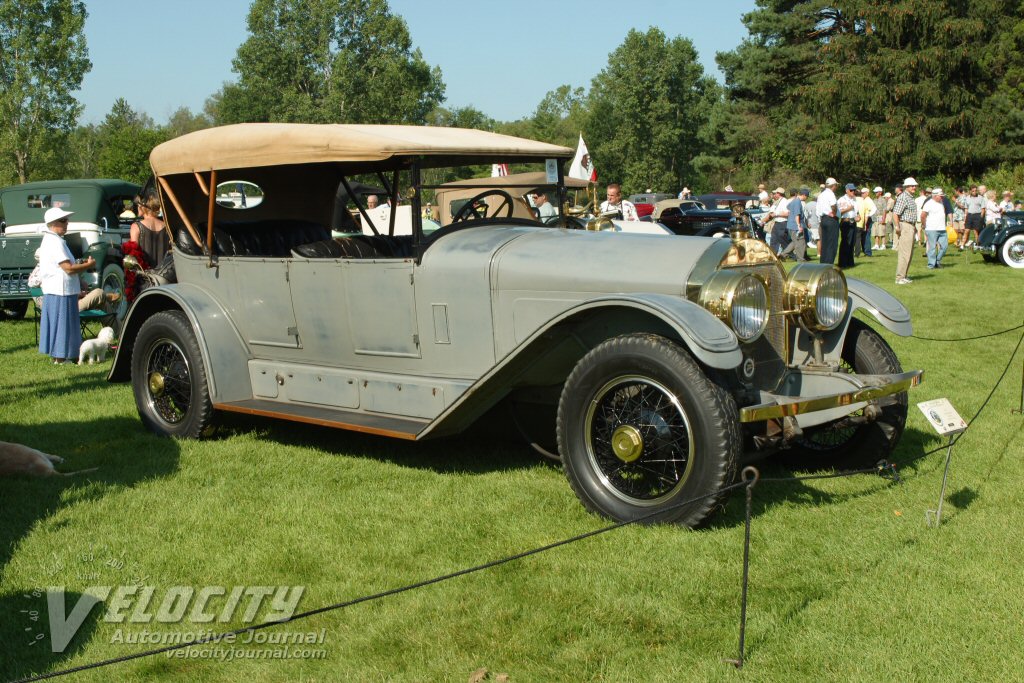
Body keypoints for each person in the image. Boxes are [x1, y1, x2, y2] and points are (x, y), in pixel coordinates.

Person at [37, 208, 95, 364]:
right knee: (63, 325)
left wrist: (79, 278)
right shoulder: (55, 242)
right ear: (53, 223)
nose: (67, 223)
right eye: (63, 221)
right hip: (60, 290)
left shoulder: (55, 240)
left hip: (59, 289)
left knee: (61, 324)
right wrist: (88, 265)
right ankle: (61, 358)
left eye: (66, 220)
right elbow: (68, 268)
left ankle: (60, 357)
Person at [129, 191, 170, 269]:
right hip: (163, 275)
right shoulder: (167, 226)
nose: (137, 207)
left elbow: (133, 254)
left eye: (138, 205)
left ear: (143, 207)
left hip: (145, 276)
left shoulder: (136, 226)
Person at [893, 177, 919, 284]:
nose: (914, 187)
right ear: (906, 187)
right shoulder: (903, 197)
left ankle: (904, 275)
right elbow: (896, 213)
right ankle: (899, 278)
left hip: (911, 226)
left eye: (915, 186)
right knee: (904, 253)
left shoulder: (911, 197)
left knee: (909, 253)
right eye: (912, 186)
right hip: (905, 226)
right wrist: (897, 227)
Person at [920, 187, 950, 270]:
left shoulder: (941, 202)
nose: (942, 197)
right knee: (932, 248)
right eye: (940, 196)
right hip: (931, 229)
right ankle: (931, 265)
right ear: (935, 196)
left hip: (942, 228)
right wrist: (924, 225)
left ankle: (937, 260)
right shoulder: (928, 203)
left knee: (945, 246)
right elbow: (923, 215)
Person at [779, 188, 810, 261]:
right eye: (807, 196)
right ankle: (801, 259)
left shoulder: (794, 201)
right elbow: (797, 214)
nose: (807, 198)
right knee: (801, 242)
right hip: (795, 226)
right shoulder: (797, 202)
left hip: (791, 225)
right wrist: (799, 225)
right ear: (804, 195)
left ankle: (783, 255)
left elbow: (788, 207)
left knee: (795, 242)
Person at [816, 178, 839, 264]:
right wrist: (834, 213)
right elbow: (833, 205)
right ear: (833, 186)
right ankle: (829, 264)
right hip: (831, 219)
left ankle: (823, 262)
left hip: (823, 219)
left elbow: (818, 210)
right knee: (832, 243)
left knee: (824, 242)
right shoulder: (831, 194)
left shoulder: (821, 195)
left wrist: (820, 220)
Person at [836, 183, 858, 268]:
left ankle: (850, 262)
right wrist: (848, 209)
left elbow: (856, 211)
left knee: (852, 242)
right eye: (851, 190)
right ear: (847, 190)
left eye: (854, 190)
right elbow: (839, 212)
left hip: (853, 221)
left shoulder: (854, 199)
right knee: (845, 242)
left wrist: (858, 216)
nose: (853, 192)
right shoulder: (842, 200)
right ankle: (842, 262)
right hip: (846, 222)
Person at [872, 187, 888, 251]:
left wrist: (883, 219)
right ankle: (876, 245)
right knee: (875, 232)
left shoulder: (883, 200)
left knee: (882, 232)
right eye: (875, 192)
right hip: (874, 217)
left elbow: (884, 210)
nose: (875, 193)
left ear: (880, 192)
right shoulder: (874, 200)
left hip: (881, 217)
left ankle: (883, 245)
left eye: (876, 192)